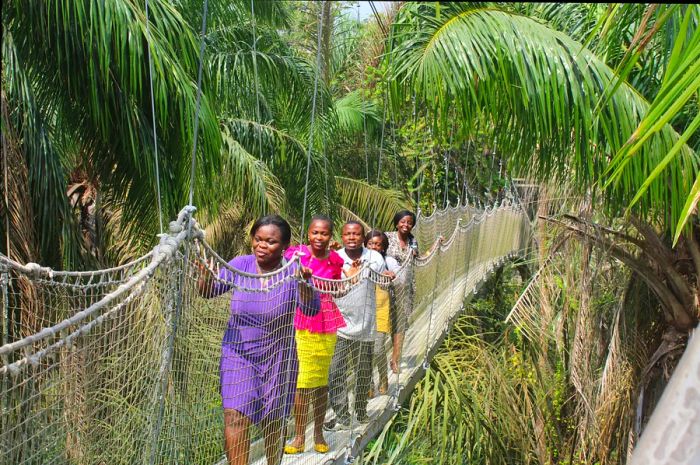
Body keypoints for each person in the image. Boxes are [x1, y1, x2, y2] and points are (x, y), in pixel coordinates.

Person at [198, 215, 318, 465]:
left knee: (273, 420)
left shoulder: (293, 271)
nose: (262, 245)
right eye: (258, 239)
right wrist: (205, 277)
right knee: (235, 416)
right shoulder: (240, 264)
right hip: (238, 354)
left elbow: (311, 310)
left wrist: (305, 285)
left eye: (270, 242)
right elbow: (208, 292)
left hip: (278, 356)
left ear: (285, 245)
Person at [283, 215, 346, 455]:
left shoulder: (335, 260)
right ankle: (299, 437)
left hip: (327, 321)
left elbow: (337, 290)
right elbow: (284, 274)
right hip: (302, 319)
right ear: (308, 234)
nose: (319, 238)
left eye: (324, 234)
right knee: (302, 381)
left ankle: (318, 434)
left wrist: (348, 283)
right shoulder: (296, 255)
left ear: (331, 236)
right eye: (315, 233)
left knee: (320, 380)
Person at [325, 221, 386, 430]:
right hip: (339, 326)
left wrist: (388, 277)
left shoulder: (374, 258)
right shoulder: (334, 258)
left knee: (363, 374)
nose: (352, 237)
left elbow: (383, 282)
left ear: (363, 238)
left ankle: (360, 411)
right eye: (348, 234)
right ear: (342, 237)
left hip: (366, 326)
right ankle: (342, 417)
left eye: (356, 234)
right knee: (335, 373)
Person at [364, 230, 400, 397]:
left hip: (381, 309)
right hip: (362, 310)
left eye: (379, 244)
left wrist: (392, 275)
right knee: (365, 351)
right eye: (371, 243)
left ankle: (383, 378)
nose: (375, 247)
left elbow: (400, 276)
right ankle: (369, 383)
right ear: (365, 244)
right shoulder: (361, 261)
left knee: (378, 349)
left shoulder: (388, 262)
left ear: (384, 247)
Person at [384, 210, 419, 373]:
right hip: (385, 287)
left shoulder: (413, 241)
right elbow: (375, 253)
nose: (406, 225)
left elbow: (418, 258)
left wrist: (435, 246)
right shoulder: (387, 237)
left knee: (401, 322)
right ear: (397, 223)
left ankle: (395, 359)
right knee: (389, 322)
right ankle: (381, 360)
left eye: (409, 222)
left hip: (405, 289)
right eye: (403, 222)